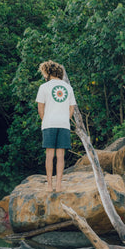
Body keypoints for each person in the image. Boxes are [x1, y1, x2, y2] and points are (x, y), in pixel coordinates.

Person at [36, 60, 76, 192]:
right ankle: (59, 185)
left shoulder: (44, 87)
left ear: (47, 72)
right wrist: (65, 119)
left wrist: (45, 120)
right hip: (64, 124)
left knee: (49, 155)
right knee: (60, 156)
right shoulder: (68, 88)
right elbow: (72, 108)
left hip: (49, 124)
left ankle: (49, 185)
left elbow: (40, 108)